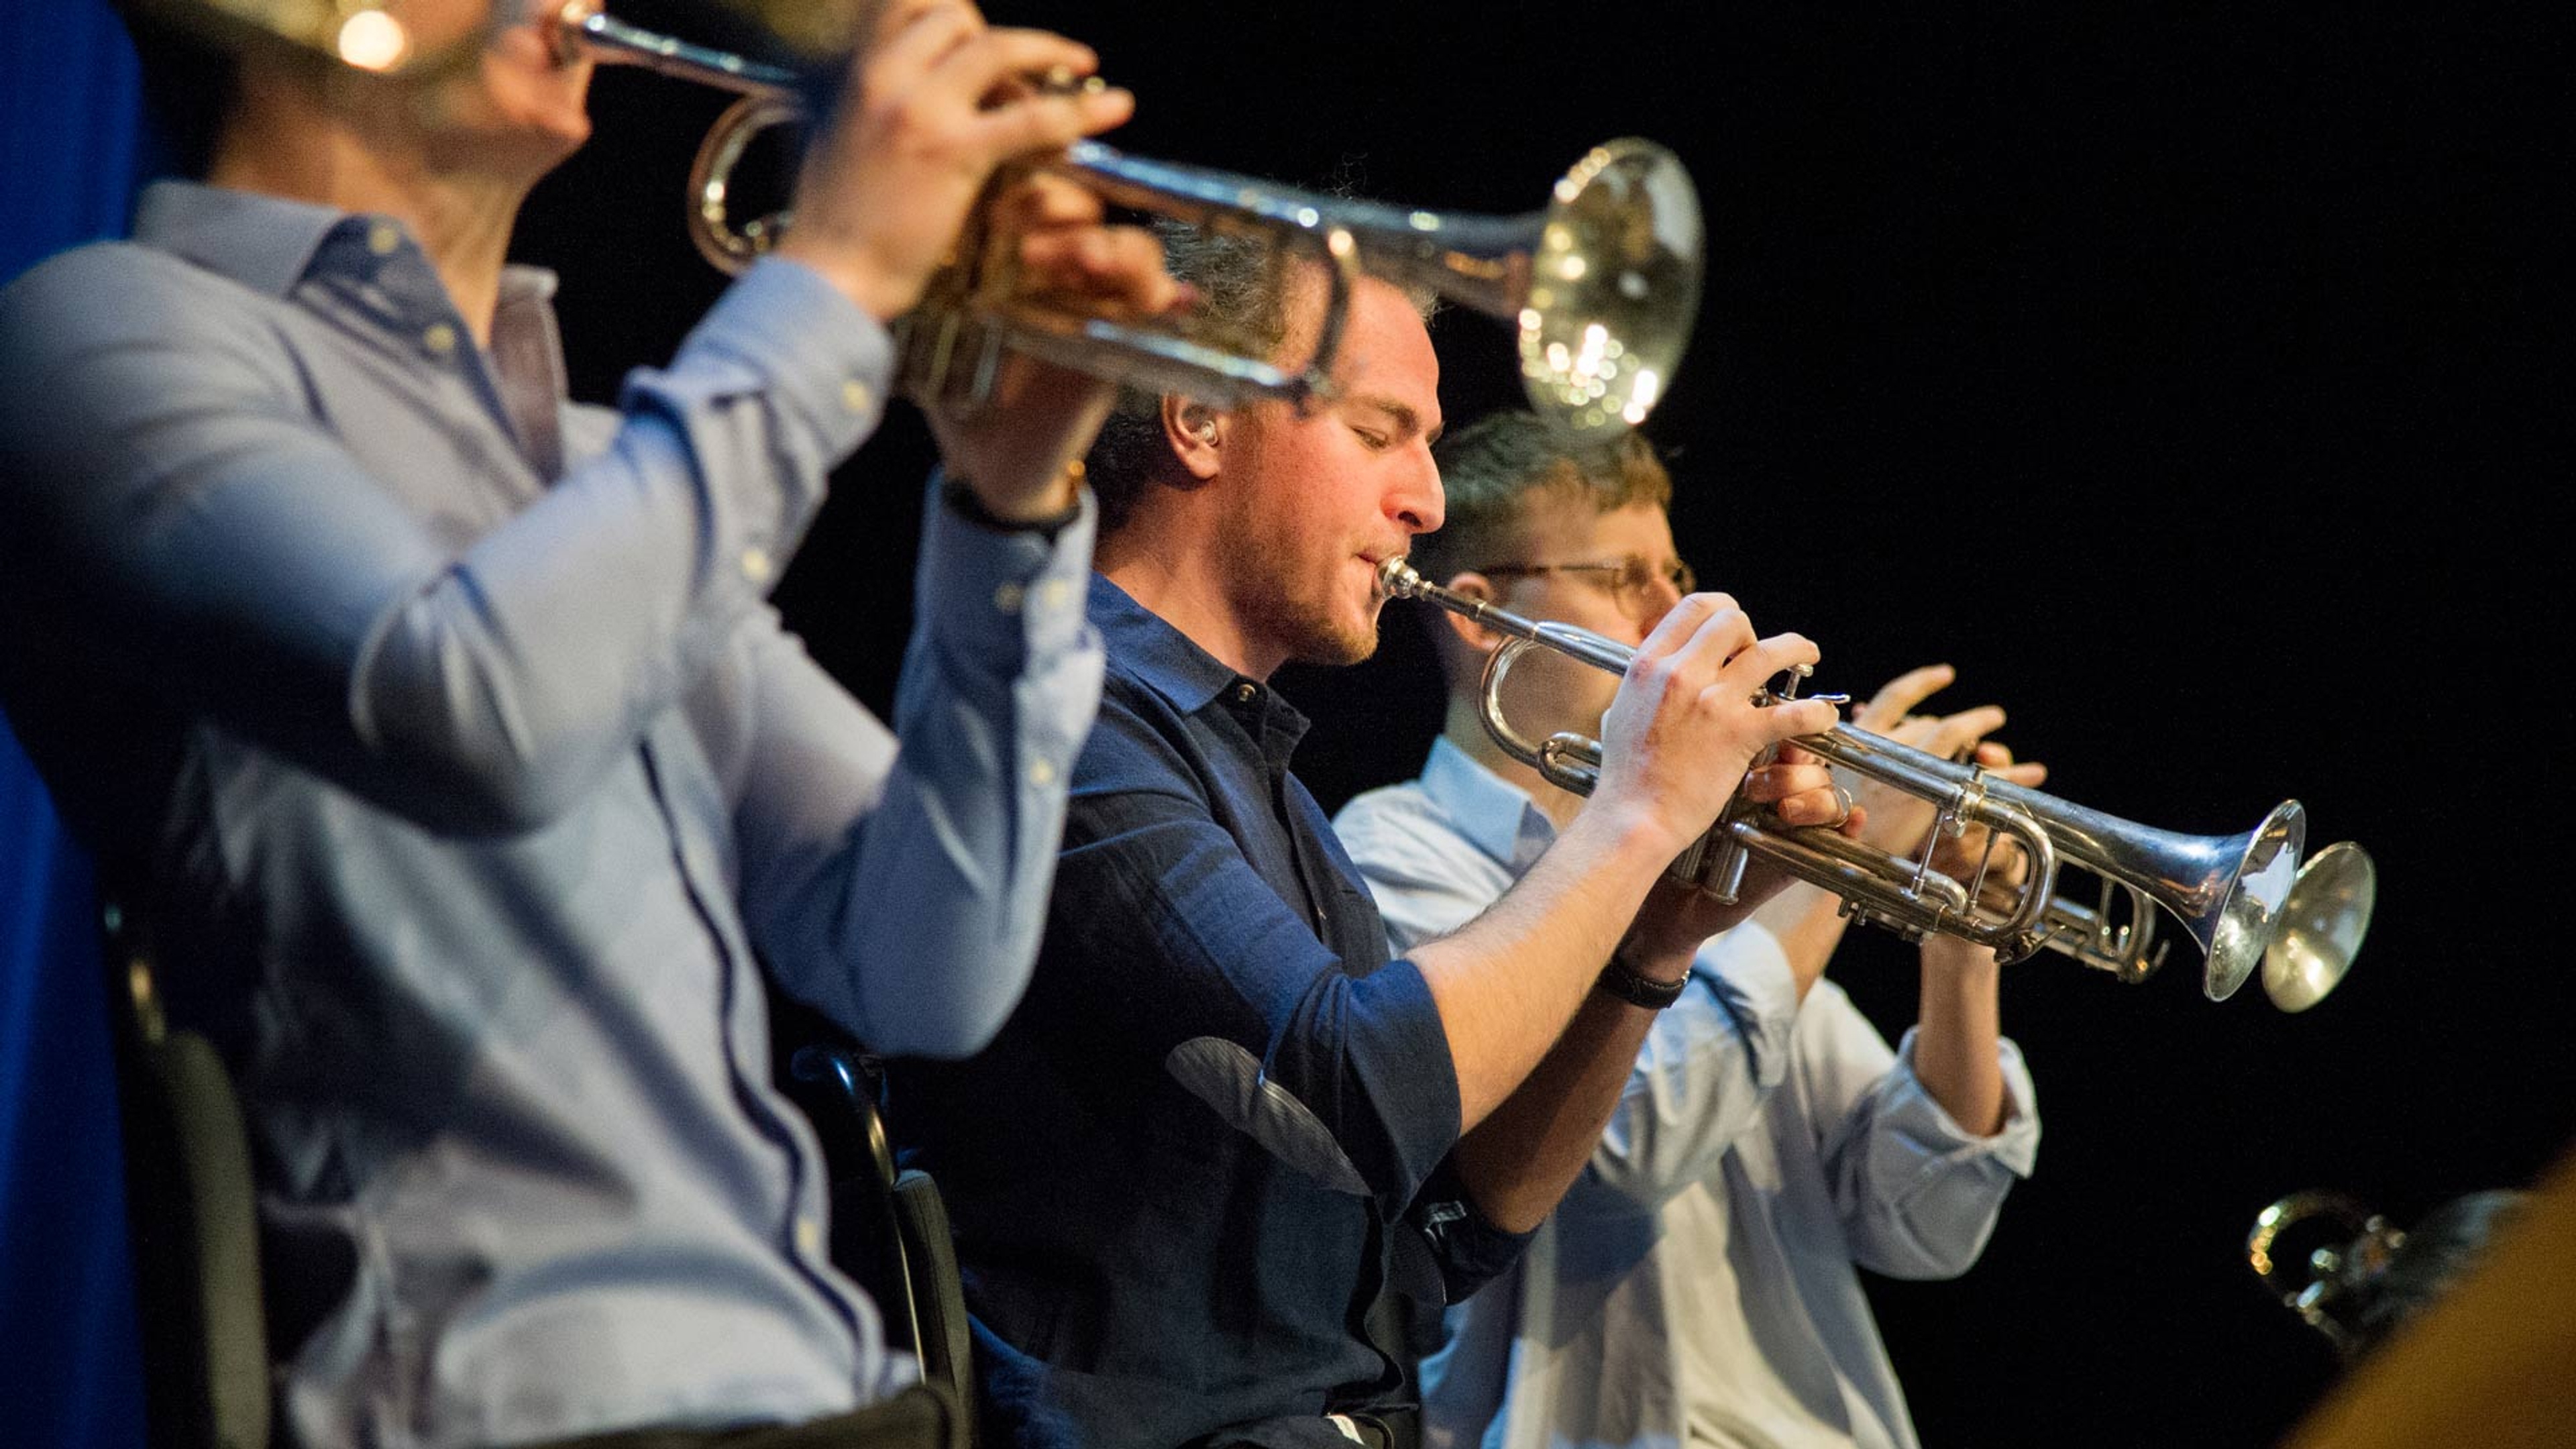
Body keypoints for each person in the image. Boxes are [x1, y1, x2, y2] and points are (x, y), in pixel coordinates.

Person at [0, 1, 1179, 1444]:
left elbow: (927, 965)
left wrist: (1011, 507)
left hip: (843, 1400)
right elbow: (475, 709)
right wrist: (845, 267)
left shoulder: (611, 470)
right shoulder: (91, 336)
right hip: (514, 1411)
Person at [884, 225, 1851, 1449]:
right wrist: (1639, 809)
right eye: (1379, 431)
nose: (1429, 502)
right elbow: (1354, 1076)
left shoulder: (1262, 778)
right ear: (1199, 415)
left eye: (1429, 447)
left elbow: (1447, 1235)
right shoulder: (1064, 718)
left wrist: (1655, 940)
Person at [1331, 411, 2043, 1449]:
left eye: (1677, 572)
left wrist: (1958, 935)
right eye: (1627, 580)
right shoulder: (1396, 857)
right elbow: (1627, 1154)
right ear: (1482, 616)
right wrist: (1824, 889)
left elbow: (1923, 1227)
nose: (1686, 615)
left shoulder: (1713, 855)